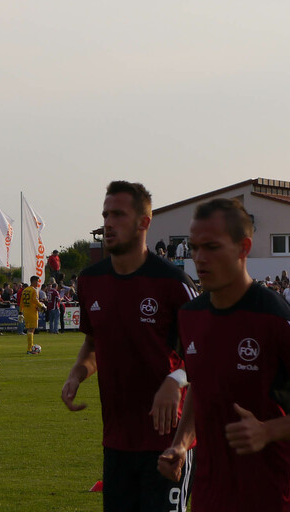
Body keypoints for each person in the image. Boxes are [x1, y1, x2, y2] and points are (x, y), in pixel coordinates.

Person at [157, 199, 290, 512]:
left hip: (271, 495)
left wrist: (268, 431)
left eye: (211, 247)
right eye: (194, 248)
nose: (199, 258)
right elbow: (200, 385)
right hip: (210, 495)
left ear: (243, 248)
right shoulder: (190, 316)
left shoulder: (274, 316)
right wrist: (181, 444)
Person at [62, 181, 200, 511]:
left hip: (168, 442)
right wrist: (77, 374)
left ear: (144, 223)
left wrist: (175, 379)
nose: (108, 223)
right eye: (106, 214)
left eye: (119, 215)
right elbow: (94, 344)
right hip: (117, 442)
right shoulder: (90, 280)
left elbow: (208, 355)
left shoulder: (174, 283)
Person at [20, 276, 46, 354]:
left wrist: (20, 312)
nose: (38, 283)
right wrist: (41, 306)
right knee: (32, 330)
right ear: (34, 281)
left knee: (29, 330)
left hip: (26, 312)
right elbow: (35, 300)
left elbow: (21, 302)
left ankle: (30, 347)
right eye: (38, 281)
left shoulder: (25, 290)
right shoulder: (34, 290)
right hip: (32, 312)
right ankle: (30, 349)